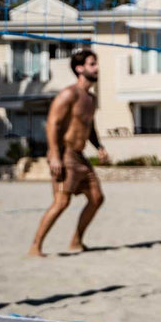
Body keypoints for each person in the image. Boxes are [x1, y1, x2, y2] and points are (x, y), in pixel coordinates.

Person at [28, 49, 109, 256]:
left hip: (80, 156)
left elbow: (89, 127)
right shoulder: (69, 94)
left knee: (97, 198)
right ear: (79, 68)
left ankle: (76, 241)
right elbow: (52, 124)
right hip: (64, 154)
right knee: (62, 202)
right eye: (92, 64)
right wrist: (54, 154)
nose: (97, 67)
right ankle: (35, 247)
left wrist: (99, 147)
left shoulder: (90, 99)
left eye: (96, 63)